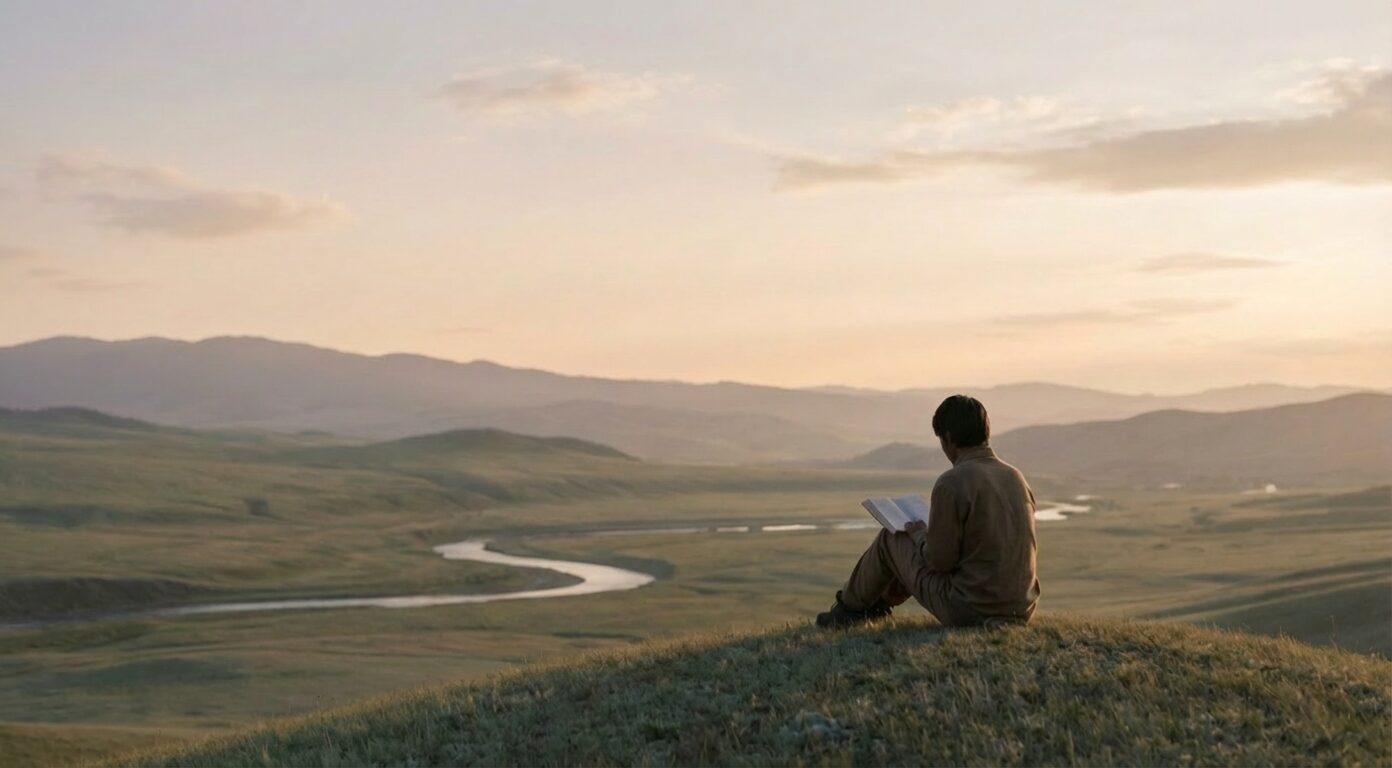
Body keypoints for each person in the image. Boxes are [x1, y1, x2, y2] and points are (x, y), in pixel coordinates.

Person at [816, 394, 1040, 629]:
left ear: (948, 438)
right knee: (912, 547)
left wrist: (920, 535)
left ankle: (848, 611)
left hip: (970, 611)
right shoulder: (1016, 477)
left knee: (891, 538)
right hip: (1020, 610)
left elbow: (939, 561)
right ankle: (876, 606)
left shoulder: (952, 482)